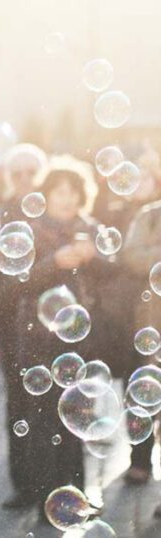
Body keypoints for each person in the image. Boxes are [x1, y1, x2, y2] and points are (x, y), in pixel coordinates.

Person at [8, 157, 109, 515]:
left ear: (83, 196)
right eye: (59, 191)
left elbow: (115, 274)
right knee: (43, 419)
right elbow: (15, 282)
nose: (66, 198)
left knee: (78, 417)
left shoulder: (92, 229)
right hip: (39, 340)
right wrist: (54, 262)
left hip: (83, 341)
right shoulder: (31, 230)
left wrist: (93, 259)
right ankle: (46, 498)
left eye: (73, 191)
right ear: (46, 195)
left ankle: (76, 496)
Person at [0, 143, 49, 509]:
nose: (23, 179)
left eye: (30, 172)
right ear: (7, 177)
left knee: (51, 405)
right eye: (16, 172)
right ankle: (23, 484)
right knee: (19, 406)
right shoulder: (0, 216)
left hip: (53, 324)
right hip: (11, 326)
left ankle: (53, 480)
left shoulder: (54, 212)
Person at [122, 189, 161, 494]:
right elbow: (131, 257)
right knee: (143, 396)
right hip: (150, 323)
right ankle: (141, 461)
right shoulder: (149, 215)